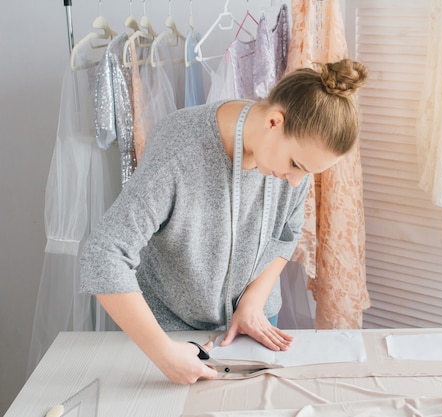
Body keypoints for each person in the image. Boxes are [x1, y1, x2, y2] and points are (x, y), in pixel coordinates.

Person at [80, 58, 368, 384]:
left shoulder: (287, 164)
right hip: (173, 336)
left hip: (253, 325)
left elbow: (287, 233)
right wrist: (163, 352)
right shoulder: (181, 149)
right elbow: (103, 254)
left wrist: (254, 300)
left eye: (307, 173)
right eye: (295, 165)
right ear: (274, 122)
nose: (295, 182)